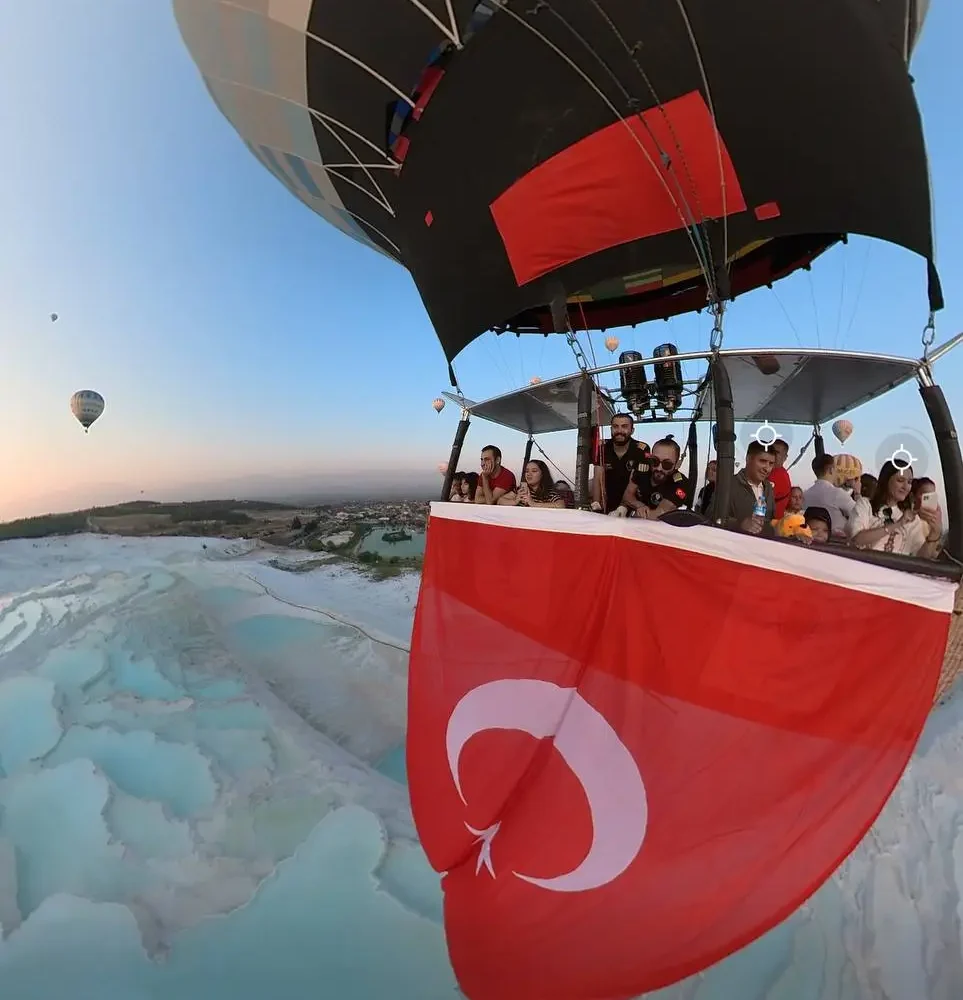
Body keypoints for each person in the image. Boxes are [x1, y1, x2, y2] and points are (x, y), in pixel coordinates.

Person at [848, 461, 943, 558]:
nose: (905, 487)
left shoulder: (913, 520)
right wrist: (898, 524)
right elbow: (857, 540)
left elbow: (921, 559)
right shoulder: (866, 505)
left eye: (909, 482)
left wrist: (934, 533)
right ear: (887, 480)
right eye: (900, 480)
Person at [706, 440, 776, 535]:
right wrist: (740, 524)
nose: (767, 468)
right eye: (762, 461)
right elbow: (710, 516)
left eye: (771, 464)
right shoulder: (728, 485)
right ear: (748, 459)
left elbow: (770, 522)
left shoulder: (768, 488)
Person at [615, 437, 690, 520]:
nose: (659, 468)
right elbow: (627, 495)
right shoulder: (642, 469)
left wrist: (638, 513)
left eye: (667, 464)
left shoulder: (680, 483)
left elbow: (661, 513)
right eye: (655, 461)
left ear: (677, 464)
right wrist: (640, 506)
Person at [592, 413, 650, 514]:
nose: (619, 431)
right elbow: (597, 477)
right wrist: (596, 503)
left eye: (624, 427)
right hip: (608, 497)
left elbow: (636, 482)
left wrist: (623, 507)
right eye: (615, 427)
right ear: (611, 429)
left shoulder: (641, 449)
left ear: (632, 431)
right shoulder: (602, 447)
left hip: (632, 502)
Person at [802, 454, 856, 537]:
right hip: (838, 542)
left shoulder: (805, 494)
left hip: (811, 538)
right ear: (831, 470)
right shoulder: (838, 493)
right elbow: (858, 514)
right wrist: (857, 491)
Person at [768, 438, 793, 519]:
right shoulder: (770, 472)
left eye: (777, 452)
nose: (773, 454)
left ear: (785, 457)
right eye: (771, 451)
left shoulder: (779, 476)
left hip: (770, 524)